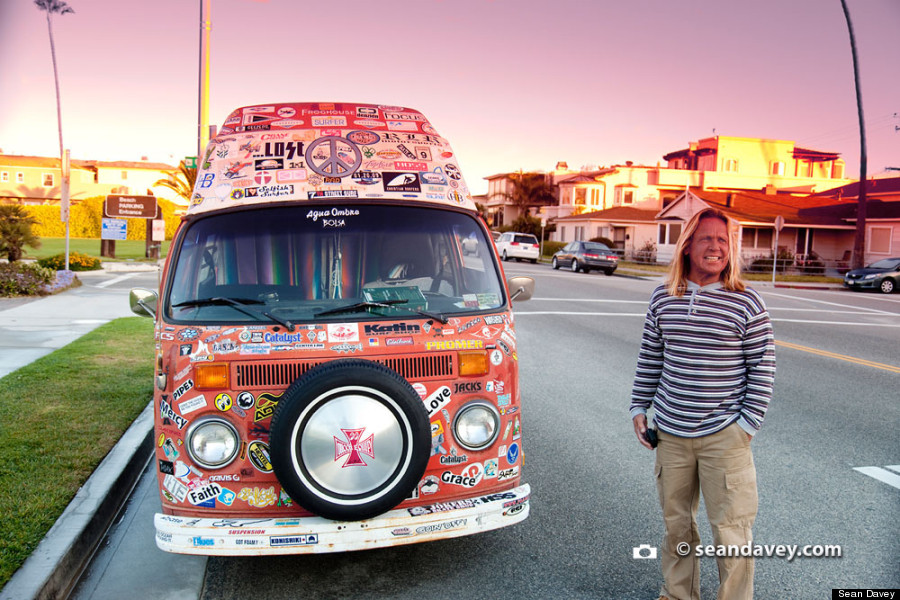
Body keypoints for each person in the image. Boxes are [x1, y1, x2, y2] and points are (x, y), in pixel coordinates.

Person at [630, 208, 776, 600]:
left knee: (732, 530)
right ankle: (678, 595)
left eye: (723, 240)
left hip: (724, 436)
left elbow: (762, 369)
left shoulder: (746, 303)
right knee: (677, 527)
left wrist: (745, 426)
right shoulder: (664, 297)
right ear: (689, 245)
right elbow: (651, 356)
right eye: (707, 238)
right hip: (672, 434)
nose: (716, 247)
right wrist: (638, 408)